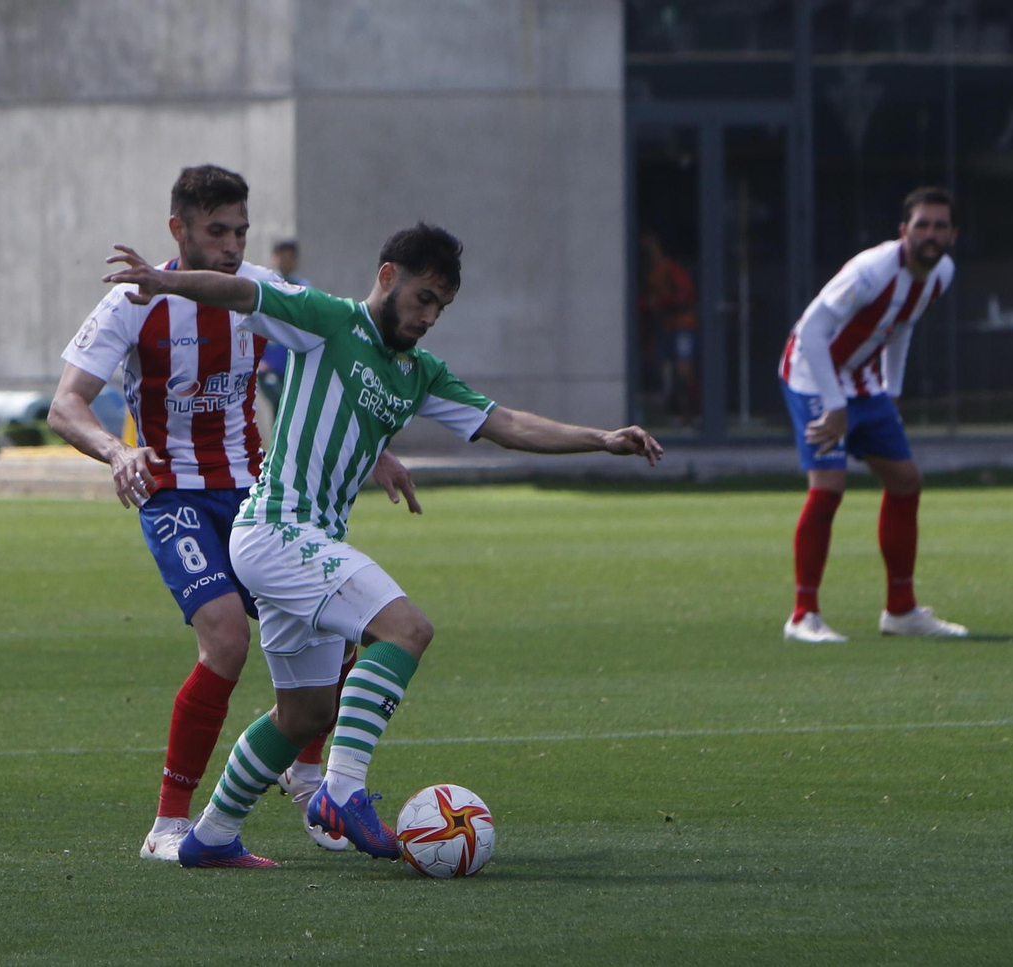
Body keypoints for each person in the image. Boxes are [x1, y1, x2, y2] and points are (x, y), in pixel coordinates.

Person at [101, 221, 664, 867]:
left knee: (306, 712)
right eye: (425, 298)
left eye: (442, 308)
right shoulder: (327, 320)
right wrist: (162, 280)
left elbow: (504, 422)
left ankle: (212, 836)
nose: (430, 317)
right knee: (406, 629)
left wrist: (601, 437)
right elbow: (237, 292)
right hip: (277, 528)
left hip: (301, 542)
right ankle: (341, 792)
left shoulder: (419, 372)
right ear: (389, 276)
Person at [48, 165, 421, 862]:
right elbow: (64, 404)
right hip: (174, 496)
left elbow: (339, 360)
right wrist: (114, 451)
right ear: (178, 229)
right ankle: (168, 824)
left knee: (338, 622)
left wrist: (374, 448)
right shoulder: (135, 300)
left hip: (255, 495)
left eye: (240, 231)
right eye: (216, 231)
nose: (229, 245)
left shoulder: (262, 295)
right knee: (225, 640)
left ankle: (309, 779)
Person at [777, 186, 968, 644]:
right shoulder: (870, 271)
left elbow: (902, 326)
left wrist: (892, 393)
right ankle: (803, 615)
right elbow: (811, 334)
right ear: (903, 230)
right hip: (811, 375)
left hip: (864, 382)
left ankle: (900, 611)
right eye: (922, 224)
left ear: (953, 235)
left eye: (940, 226)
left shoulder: (940, 274)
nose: (930, 234)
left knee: (906, 482)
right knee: (829, 488)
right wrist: (836, 405)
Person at [637, 231, 700, 426]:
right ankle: (675, 412)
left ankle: (693, 413)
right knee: (664, 370)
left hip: (682, 325)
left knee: (684, 371)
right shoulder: (649, 271)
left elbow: (686, 295)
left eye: (652, 246)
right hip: (665, 326)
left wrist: (661, 302)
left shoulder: (673, 270)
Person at [254, 240, 308, 415]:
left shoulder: (304, 289)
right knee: (279, 404)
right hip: (269, 365)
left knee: (293, 410)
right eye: (281, 257)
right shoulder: (265, 286)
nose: (285, 262)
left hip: (294, 364)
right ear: (274, 258)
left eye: (289, 258)